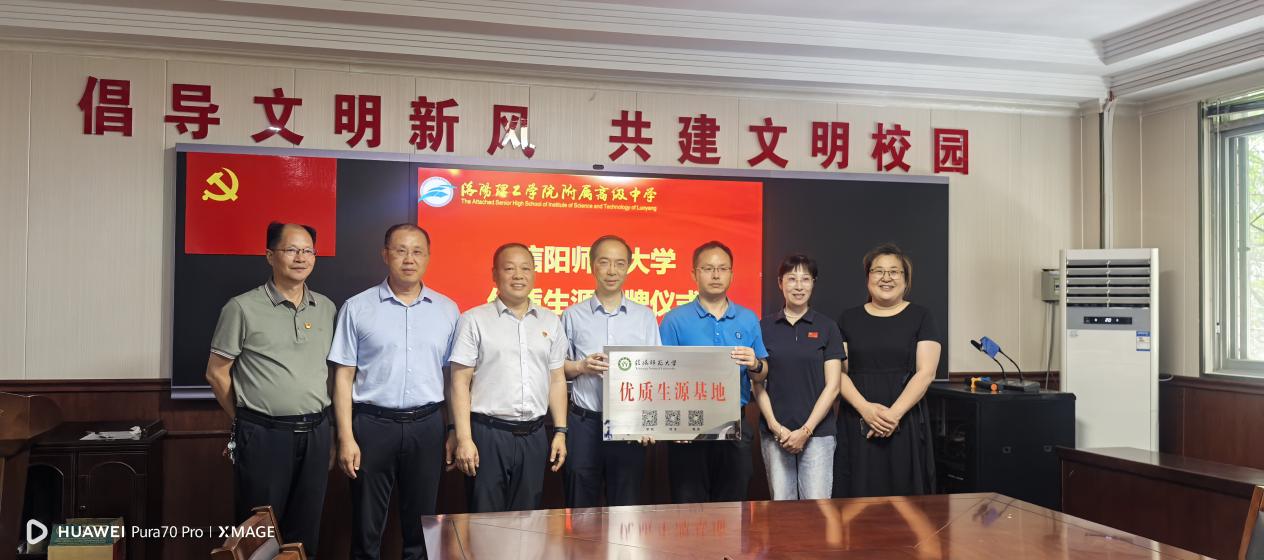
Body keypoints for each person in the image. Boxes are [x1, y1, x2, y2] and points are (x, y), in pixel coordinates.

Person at [205, 222, 335, 558]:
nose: (300, 257)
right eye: (291, 250)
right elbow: (217, 373)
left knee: (306, 530)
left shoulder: (326, 307)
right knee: (259, 534)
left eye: (308, 250)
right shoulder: (242, 307)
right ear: (270, 255)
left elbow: (333, 373)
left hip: (317, 432)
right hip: (264, 434)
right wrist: (244, 419)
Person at [329, 224, 459, 560]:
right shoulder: (357, 307)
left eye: (417, 251)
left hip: (427, 425)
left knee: (422, 525)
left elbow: (451, 378)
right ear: (385, 255)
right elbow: (343, 376)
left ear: (428, 257)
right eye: (400, 251)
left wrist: (452, 429)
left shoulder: (447, 310)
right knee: (366, 526)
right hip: (372, 426)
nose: (409, 259)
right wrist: (345, 436)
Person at [449, 243, 569, 512]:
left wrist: (560, 431)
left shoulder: (550, 321)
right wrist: (464, 438)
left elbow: (557, 379)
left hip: (535, 435)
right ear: (495, 274)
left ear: (534, 274)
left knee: (528, 520)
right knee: (484, 519)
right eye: (509, 269)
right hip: (488, 435)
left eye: (525, 268)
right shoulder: (474, 320)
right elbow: (459, 382)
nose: (518, 275)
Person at [659, 240, 768, 504]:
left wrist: (755, 364)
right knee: (688, 508)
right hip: (688, 425)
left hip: (735, 423)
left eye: (723, 269)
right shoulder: (674, 320)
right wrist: (675, 427)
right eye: (708, 268)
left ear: (731, 273)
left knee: (733, 506)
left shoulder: (748, 318)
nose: (716, 275)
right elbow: (662, 377)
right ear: (694, 274)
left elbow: (761, 374)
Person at [833, 243, 941, 498]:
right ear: (867, 277)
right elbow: (838, 372)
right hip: (857, 418)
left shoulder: (922, 316)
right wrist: (866, 410)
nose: (886, 278)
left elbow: (926, 372)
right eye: (878, 271)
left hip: (905, 419)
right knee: (856, 493)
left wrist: (893, 416)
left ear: (906, 279)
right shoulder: (848, 318)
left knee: (906, 494)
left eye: (894, 271)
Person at [561, 235, 661, 508]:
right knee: (581, 507)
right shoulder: (572, 315)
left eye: (620, 263)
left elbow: (655, 372)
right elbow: (558, 370)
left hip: (629, 424)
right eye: (604, 262)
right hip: (584, 422)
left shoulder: (644, 316)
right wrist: (581, 366)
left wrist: (648, 422)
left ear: (629, 267)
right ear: (592, 265)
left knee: (625, 508)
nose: (612, 271)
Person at [754, 254, 842, 500]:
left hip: (818, 434)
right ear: (780, 283)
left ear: (813, 283)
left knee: (817, 510)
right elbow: (757, 382)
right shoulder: (764, 327)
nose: (799, 286)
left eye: (805, 279)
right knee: (782, 508)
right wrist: (775, 426)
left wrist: (806, 430)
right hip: (776, 434)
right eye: (792, 279)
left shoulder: (827, 327)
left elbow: (833, 386)